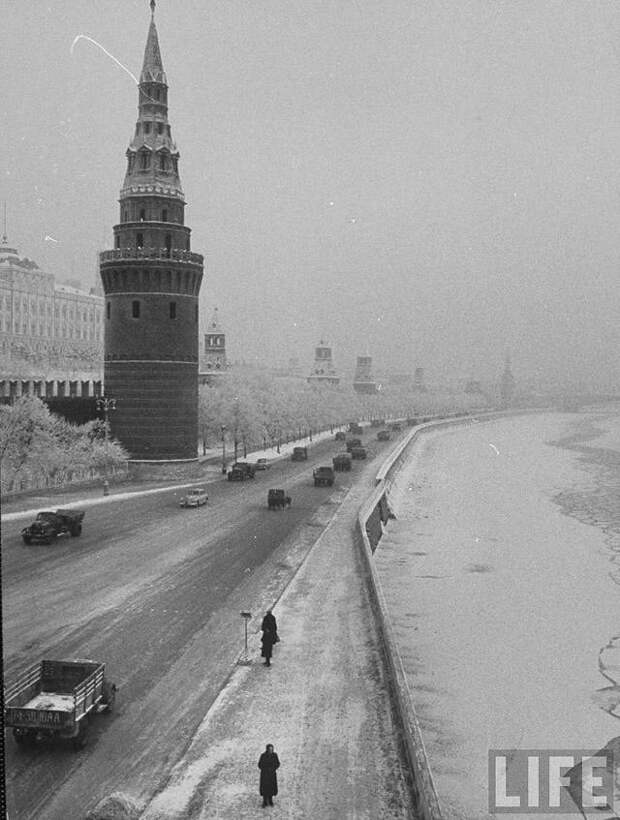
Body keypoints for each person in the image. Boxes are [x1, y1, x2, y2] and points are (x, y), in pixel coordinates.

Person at [258, 743, 280, 807]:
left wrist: (273, 769)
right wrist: (265, 769)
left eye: (272, 749)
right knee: (265, 788)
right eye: (269, 749)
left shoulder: (275, 755)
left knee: (271, 788)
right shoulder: (263, 756)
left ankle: (270, 800)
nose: (271, 750)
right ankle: (264, 801)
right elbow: (259, 764)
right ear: (267, 749)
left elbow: (277, 763)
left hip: (272, 775)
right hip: (265, 775)